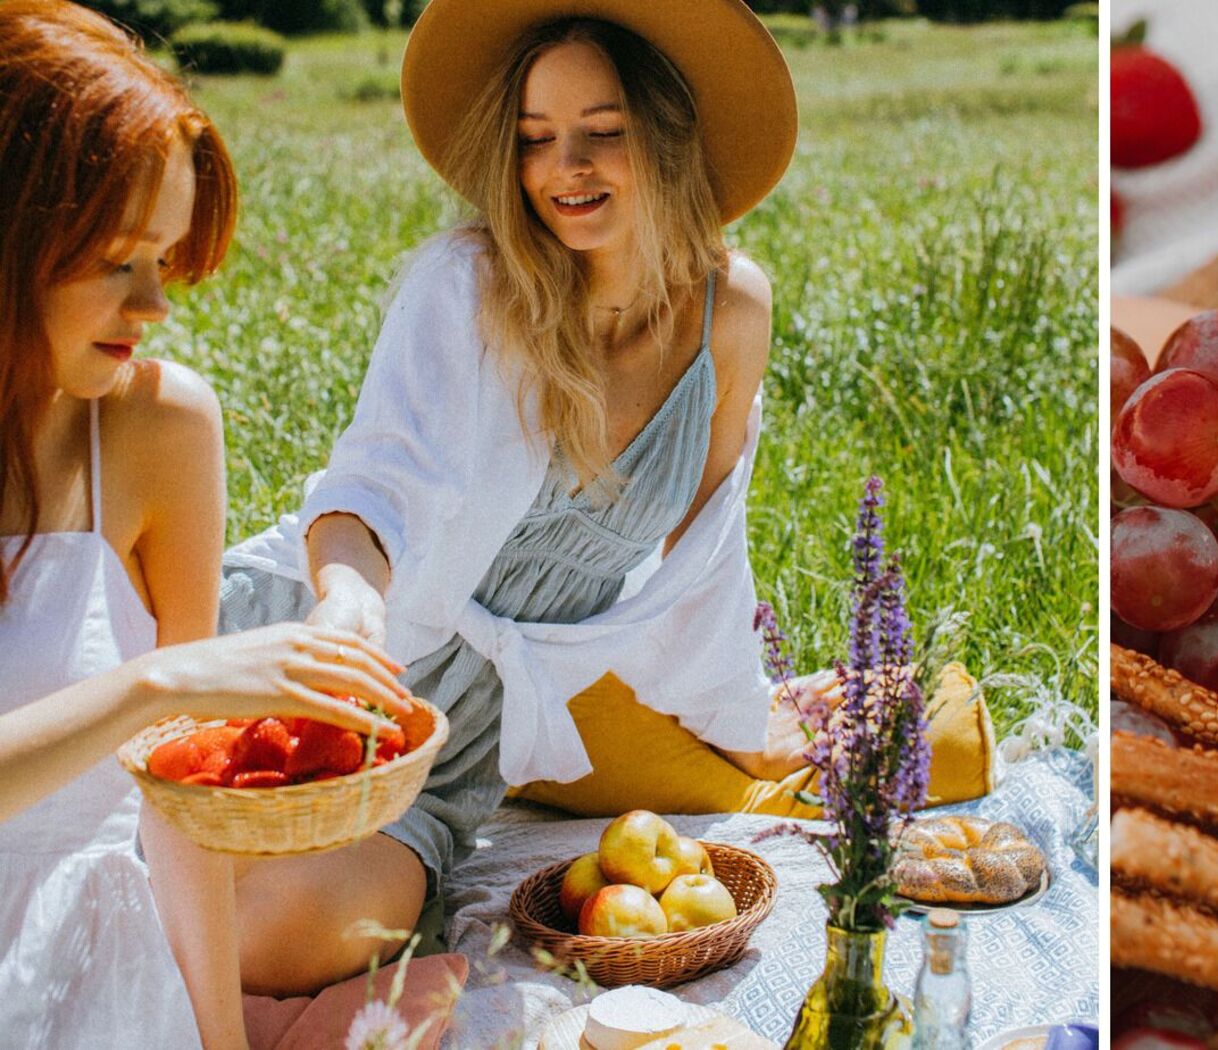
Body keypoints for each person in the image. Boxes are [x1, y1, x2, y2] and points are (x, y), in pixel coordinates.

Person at [145, 0, 812, 1039]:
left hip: (447, 753)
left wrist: (735, 713)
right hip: (322, 660)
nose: (564, 169)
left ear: (667, 134)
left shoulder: (730, 312)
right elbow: (366, 489)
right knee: (119, 850)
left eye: (602, 131)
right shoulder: (468, 287)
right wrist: (347, 607)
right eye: (535, 138)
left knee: (293, 932)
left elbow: (707, 549)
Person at [0, 4, 410, 1046]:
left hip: (88, 981)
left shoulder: (156, 424)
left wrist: (217, 1037)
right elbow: (166, 698)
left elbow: (182, 799)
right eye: (116, 261)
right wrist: (160, 682)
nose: (156, 307)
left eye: (166, 262)